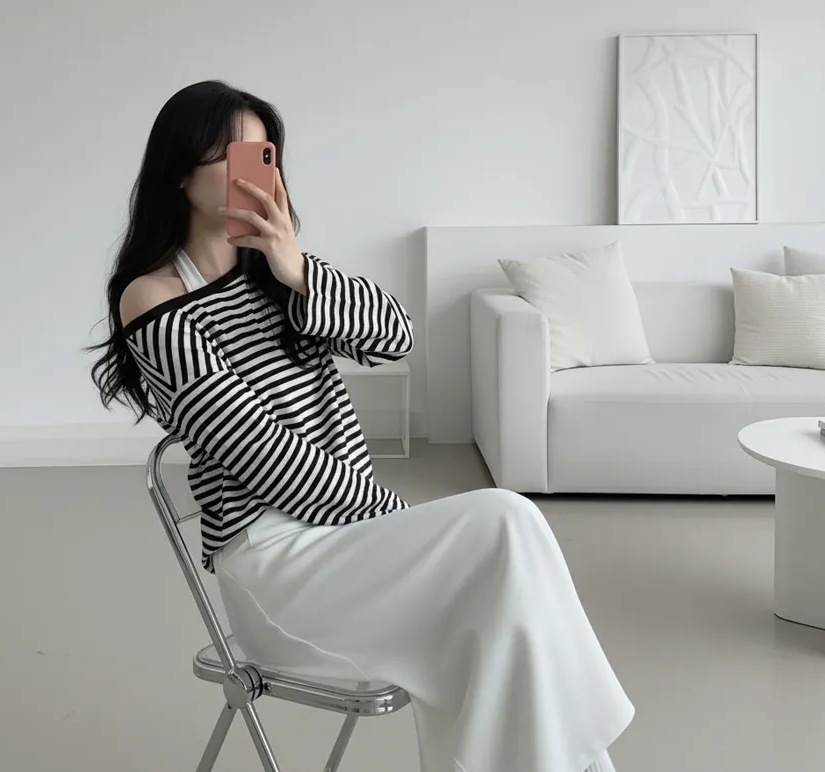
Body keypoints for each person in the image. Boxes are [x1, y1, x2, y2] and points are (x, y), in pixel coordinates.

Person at [91, 80, 634, 772]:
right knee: (507, 522)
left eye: (263, 155)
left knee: (503, 616)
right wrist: (391, 517)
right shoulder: (155, 297)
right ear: (178, 171)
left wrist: (297, 269)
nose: (251, 173)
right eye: (229, 155)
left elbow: (395, 335)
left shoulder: (281, 275)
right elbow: (261, 456)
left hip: (351, 547)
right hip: (277, 568)